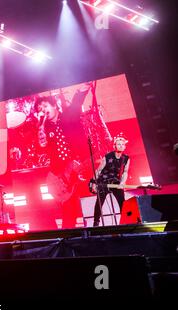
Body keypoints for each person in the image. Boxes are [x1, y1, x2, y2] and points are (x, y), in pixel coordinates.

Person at [35, 83, 94, 228]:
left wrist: (82, 90)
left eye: (45, 106)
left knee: (91, 205)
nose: (43, 110)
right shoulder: (43, 128)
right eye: (40, 109)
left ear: (55, 105)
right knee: (69, 212)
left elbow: (76, 103)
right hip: (63, 176)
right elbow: (43, 151)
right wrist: (41, 144)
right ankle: (67, 243)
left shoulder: (69, 116)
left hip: (81, 167)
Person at [91, 135, 130, 227]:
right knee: (99, 202)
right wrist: (93, 182)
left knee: (122, 202)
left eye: (122, 144)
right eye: (118, 144)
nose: (120, 146)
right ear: (114, 146)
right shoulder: (108, 157)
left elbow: (125, 172)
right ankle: (96, 223)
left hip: (115, 182)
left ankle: (126, 221)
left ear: (125, 146)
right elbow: (98, 170)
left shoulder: (126, 158)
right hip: (103, 182)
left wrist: (122, 183)